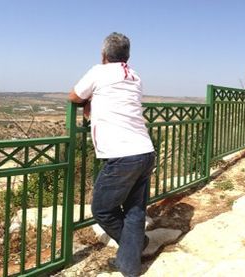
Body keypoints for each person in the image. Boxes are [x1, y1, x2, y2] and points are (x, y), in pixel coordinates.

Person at [68, 32, 156, 277]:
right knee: (135, 210)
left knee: (102, 209)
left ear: (104, 55)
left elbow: (74, 96)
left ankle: (135, 246)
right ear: (127, 55)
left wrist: (89, 103)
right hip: (145, 151)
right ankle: (129, 265)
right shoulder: (135, 76)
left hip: (122, 156)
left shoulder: (99, 71)